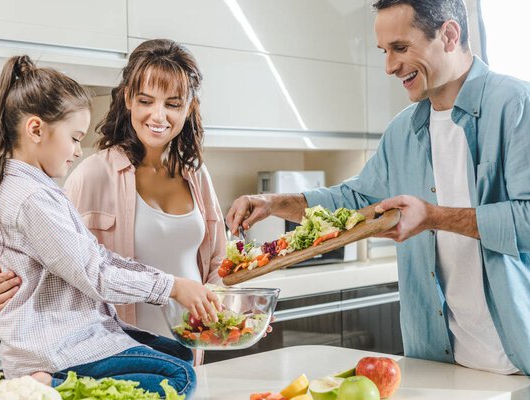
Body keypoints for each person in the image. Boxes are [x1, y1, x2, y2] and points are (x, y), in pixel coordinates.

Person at [226, 0, 530, 376]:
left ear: (449, 35)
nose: (389, 66)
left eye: (400, 48)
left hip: (519, 359)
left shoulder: (517, 105)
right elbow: (353, 200)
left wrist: (433, 217)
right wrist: (273, 203)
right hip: (437, 362)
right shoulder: (403, 130)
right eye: (385, 52)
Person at [0, 54, 222, 396]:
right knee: (178, 378)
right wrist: (172, 286)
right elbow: (89, 270)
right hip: (71, 343)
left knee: (180, 355)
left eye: (173, 103)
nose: (76, 150)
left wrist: (224, 309)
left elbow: (84, 256)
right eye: (147, 100)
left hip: (112, 333)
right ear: (129, 100)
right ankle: (52, 386)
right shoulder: (64, 183)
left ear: (189, 107)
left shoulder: (196, 174)